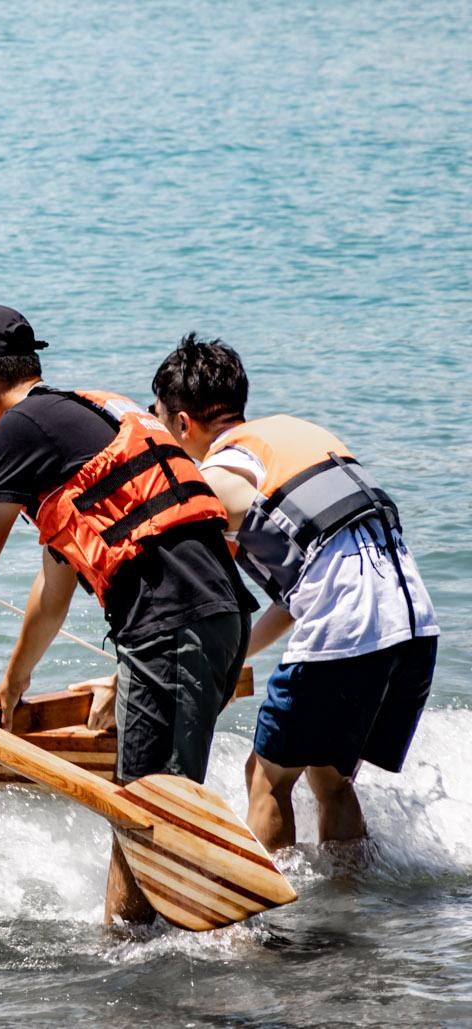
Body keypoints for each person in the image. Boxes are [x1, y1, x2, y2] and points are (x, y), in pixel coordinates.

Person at [0, 304, 255, 925]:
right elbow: (53, 588)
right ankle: (169, 946)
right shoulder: (80, 415)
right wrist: (14, 680)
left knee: (144, 814)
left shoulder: (20, 427)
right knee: (155, 802)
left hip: (171, 627)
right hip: (219, 618)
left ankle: (148, 955)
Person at [151, 333, 439, 851]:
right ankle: (349, 896)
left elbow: (195, 600)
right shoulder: (298, 433)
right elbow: (298, 595)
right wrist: (236, 659)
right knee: (330, 779)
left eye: (159, 420)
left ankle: (273, 904)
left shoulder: (213, 479)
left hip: (346, 628)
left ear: (183, 424)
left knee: (266, 778)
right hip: (413, 623)